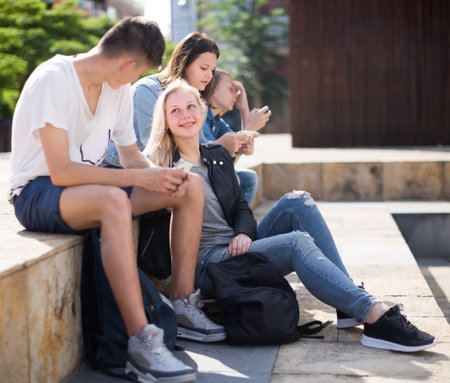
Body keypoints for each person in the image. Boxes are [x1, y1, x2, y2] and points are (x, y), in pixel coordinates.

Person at [145, 79, 438, 353]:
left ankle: (348, 302)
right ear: (166, 122)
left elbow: (240, 208)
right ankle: (374, 313)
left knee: (298, 201)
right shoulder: (167, 169)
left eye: (191, 106)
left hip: (238, 246)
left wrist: (245, 233)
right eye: (175, 110)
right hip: (209, 265)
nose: (185, 114)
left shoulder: (215, 155)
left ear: (202, 109)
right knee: (297, 243)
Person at [7, 18, 220, 383]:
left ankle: (183, 304)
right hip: (36, 193)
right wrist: (139, 177)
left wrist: (160, 176)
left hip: (89, 190)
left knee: (189, 187)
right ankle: (141, 342)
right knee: (113, 202)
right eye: (138, 73)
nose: (136, 83)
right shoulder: (53, 79)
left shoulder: (117, 89)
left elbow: (131, 157)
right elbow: (61, 172)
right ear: (126, 65)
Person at [102, 32, 258, 204]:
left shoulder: (194, 99)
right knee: (206, 185)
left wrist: (234, 148)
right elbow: (157, 157)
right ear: (184, 61)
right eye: (204, 68)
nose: (209, 76)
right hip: (126, 171)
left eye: (212, 70)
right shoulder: (147, 92)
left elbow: (202, 156)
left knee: (242, 179)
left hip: (172, 168)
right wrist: (220, 146)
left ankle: (229, 230)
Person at [201, 68, 271, 205]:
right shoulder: (201, 116)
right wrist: (250, 129)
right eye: (231, 89)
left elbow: (235, 156)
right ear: (214, 92)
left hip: (213, 175)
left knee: (249, 178)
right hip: (200, 175)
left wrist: (244, 108)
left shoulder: (217, 122)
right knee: (235, 180)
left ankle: (238, 223)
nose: (236, 94)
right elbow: (217, 166)